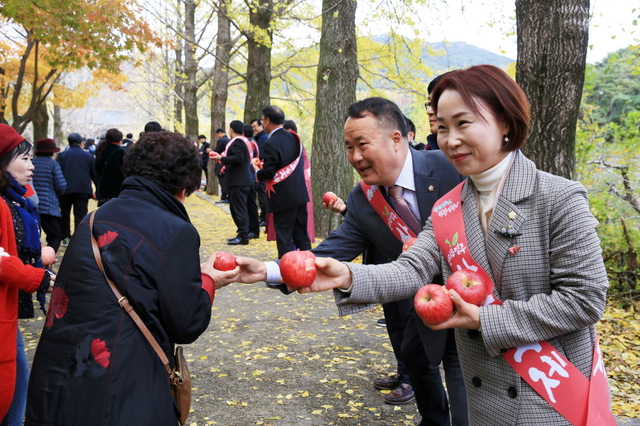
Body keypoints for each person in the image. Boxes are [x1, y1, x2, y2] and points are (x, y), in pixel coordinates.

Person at [284, 65, 614, 425]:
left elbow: (585, 299)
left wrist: (485, 319)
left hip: (548, 396)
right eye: (442, 127)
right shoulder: (448, 207)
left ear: (505, 121)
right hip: (481, 401)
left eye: (463, 123)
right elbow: (410, 270)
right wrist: (345, 274)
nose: (449, 139)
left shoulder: (559, 198)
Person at [239, 98, 467, 425]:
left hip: (477, 299)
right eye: (348, 147)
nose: (355, 157)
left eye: (362, 144)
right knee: (416, 359)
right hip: (422, 299)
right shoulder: (363, 199)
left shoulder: (449, 167)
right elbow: (332, 251)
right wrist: (267, 270)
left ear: (396, 138)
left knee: (460, 377)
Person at [25, 131, 239, 426]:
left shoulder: (93, 220)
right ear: (184, 183)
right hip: (122, 387)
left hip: (57, 379)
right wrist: (208, 279)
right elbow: (186, 324)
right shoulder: (176, 231)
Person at [0, 124, 54, 425]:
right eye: (24, 159)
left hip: (8, 315)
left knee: (17, 382)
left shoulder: (15, 200)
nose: (31, 166)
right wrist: (37, 277)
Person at [255, 105, 310, 258]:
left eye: (262, 120)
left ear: (267, 120)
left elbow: (269, 172)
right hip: (299, 194)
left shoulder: (270, 142)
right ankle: (310, 270)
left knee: (284, 237)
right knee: (302, 236)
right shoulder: (294, 137)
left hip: (283, 197)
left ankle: (287, 274)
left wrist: (256, 171)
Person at [210, 121, 257, 245]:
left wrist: (221, 158)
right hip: (237, 181)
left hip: (239, 181)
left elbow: (238, 158)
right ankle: (241, 233)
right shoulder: (240, 141)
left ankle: (243, 236)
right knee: (236, 208)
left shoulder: (238, 142)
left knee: (239, 209)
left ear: (231, 130)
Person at [57, 133, 99, 244]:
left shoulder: (62, 156)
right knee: (80, 214)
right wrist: (97, 190)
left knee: (65, 214)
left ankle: (65, 237)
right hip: (82, 189)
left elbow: (58, 173)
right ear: (81, 143)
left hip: (65, 190)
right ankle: (79, 238)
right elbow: (94, 175)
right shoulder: (88, 156)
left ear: (69, 143)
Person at [32, 138, 67, 252]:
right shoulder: (53, 164)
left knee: (33, 236)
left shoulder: (31, 163)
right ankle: (48, 259)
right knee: (55, 236)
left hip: (32, 206)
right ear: (52, 152)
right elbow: (61, 186)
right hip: (49, 207)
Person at [95, 128, 125, 206]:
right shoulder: (122, 152)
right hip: (118, 191)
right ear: (120, 139)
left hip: (103, 191)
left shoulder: (101, 150)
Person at [250, 119, 268, 225]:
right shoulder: (259, 138)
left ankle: (264, 218)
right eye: (252, 127)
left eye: (255, 126)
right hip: (259, 168)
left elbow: (261, 155)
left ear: (262, 125)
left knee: (263, 193)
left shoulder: (263, 138)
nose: (253, 129)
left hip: (262, 169)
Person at [212, 128, 230, 203]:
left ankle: (224, 196)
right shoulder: (229, 140)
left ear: (219, 133)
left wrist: (211, 151)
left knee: (222, 181)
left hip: (221, 162)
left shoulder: (221, 140)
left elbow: (217, 150)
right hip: (227, 162)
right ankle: (227, 196)